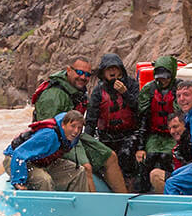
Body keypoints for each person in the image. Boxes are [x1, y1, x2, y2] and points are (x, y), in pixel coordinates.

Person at [32, 57, 127, 193]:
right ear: (69, 71)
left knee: (110, 156)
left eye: (87, 75)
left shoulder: (75, 90)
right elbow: (47, 132)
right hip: (57, 140)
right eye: (79, 72)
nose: (83, 77)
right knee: (86, 167)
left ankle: (124, 202)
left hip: (74, 136)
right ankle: (92, 206)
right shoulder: (54, 96)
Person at [86, 53, 141, 184]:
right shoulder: (98, 91)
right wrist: (87, 143)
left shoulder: (132, 85)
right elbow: (91, 119)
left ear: (120, 70)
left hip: (129, 134)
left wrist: (125, 93)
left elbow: (139, 109)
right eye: (108, 69)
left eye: (115, 68)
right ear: (103, 72)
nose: (112, 71)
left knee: (126, 154)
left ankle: (130, 184)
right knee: (103, 160)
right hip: (106, 136)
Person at [3, 111, 88, 191]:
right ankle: (48, 206)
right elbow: (19, 154)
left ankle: (79, 204)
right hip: (16, 161)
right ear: (63, 125)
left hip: (41, 161)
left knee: (79, 171)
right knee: (44, 180)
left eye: (79, 128)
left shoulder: (72, 136)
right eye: (72, 126)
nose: (76, 131)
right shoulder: (48, 136)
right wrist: (18, 181)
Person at [132, 55, 181, 193]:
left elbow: (184, 117)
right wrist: (140, 147)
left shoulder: (180, 89)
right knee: (147, 158)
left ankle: (172, 189)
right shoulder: (149, 89)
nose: (162, 80)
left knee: (169, 157)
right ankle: (142, 192)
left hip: (174, 135)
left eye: (166, 77)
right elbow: (143, 120)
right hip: (154, 134)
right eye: (159, 77)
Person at [145, 113, 191, 194]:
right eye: (170, 129)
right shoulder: (176, 148)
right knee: (155, 175)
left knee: (156, 175)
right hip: (183, 179)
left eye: (175, 127)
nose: (172, 131)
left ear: (185, 125)